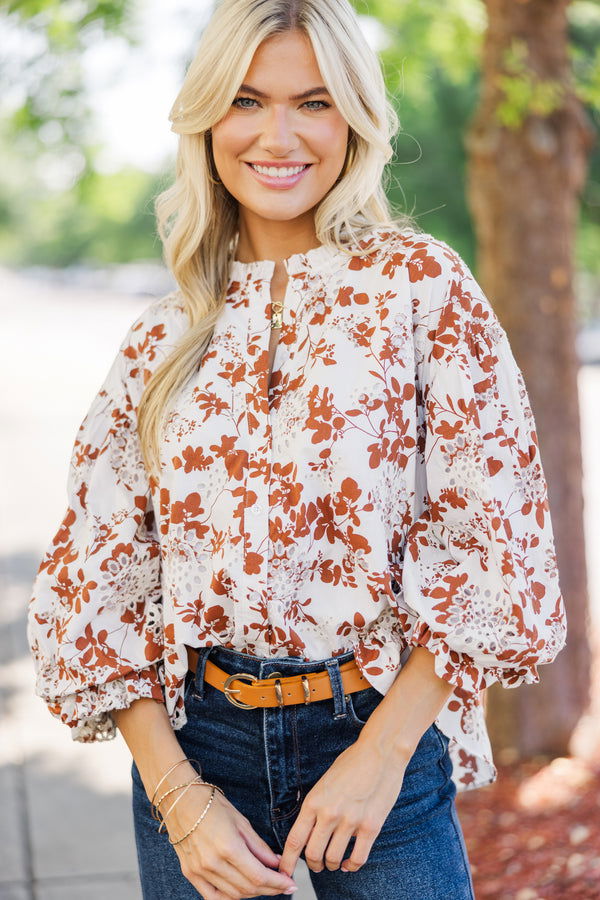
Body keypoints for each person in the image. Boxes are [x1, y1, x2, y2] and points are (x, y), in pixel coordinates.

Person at [26, 1, 568, 898]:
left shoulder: (419, 288)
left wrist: (383, 755)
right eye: (248, 99)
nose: (279, 135)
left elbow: (493, 533)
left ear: (353, 118)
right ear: (207, 116)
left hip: (377, 731)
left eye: (313, 102)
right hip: (194, 749)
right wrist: (178, 797)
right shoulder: (157, 339)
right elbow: (100, 569)